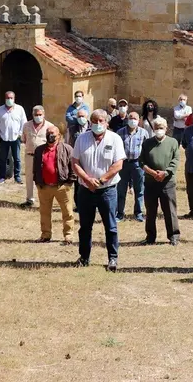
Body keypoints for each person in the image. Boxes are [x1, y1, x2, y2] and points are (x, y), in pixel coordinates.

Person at [71, 109, 125, 269]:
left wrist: (101, 180)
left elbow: (118, 164)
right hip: (85, 190)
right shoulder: (82, 139)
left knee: (111, 226)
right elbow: (75, 162)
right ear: (90, 122)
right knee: (85, 226)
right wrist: (87, 180)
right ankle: (84, 257)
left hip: (107, 190)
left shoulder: (115, 139)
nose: (98, 124)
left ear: (107, 123)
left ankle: (113, 258)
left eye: (101, 121)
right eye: (95, 121)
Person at [140, 117, 180, 245]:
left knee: (170, 210)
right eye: (156, 128)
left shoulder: (173, 142)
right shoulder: (147, 143)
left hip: (167, 183)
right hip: (151, 182)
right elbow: (142, 161)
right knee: (151, 211)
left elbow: (175, 160)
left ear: (166, 128)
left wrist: (165, 172)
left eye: (161, 128)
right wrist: (152, 172)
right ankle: (150, 237)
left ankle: (173, 236)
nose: (159, 130)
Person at [32, 125, 74, 243]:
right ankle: (45, 235)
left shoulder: (67, 149)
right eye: (48, 133)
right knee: (44, 212)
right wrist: (38, 182)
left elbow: (73, 166)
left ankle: (68, 235)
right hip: (44, 186)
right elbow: (35, 167)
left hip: (62, 186)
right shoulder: (39, 150)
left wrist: (69, 182)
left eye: (53, 134)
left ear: (59, 136)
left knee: (67, 212)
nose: (50, 136)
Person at [117, 110, 148, 221]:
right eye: (131, 118)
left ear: (138, 120)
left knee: (139, 189)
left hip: (137, 164)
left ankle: (138, 213)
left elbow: (147, 148)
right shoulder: (120, 132)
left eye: (135, 118)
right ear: (127, 119)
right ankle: (119, 213)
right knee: (121, 189)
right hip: (124, 164)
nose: (133, 120)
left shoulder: (143, 133)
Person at [0, 90, 27, 186]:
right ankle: (2, 177)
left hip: (15, 138)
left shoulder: (20, 109)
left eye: (11, 98)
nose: (9, 100)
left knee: (17, 158)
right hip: (4, 138)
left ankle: (17, 176)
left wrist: (20, 134)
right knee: (2, 158)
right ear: (5, 99)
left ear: (14, 98)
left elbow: (23, 123)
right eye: (7, 98)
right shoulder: (0, 110)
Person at [20, 106, 52, 207]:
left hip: (44, 157)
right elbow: (24, 139)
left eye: (40, 115)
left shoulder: (49, 126)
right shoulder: (26, 125)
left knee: (44, 177)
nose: (38, 117)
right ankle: (29, 199)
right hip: (30, 156)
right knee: (29, 177)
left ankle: (45, 199)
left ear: (44, 115)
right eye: (36, 115)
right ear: (32, 115)